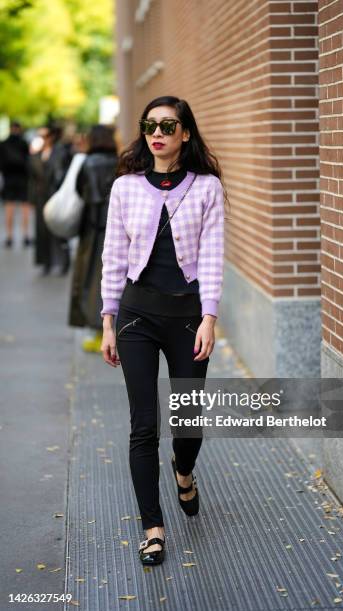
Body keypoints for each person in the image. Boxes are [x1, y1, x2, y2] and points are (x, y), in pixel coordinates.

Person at [100, 96, 226, 566]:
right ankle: (152, 527)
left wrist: (210, 317)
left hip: (188, 316)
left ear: (185, 134)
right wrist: (108, 320)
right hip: (136, 315)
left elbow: (212, 255)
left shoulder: (207, 188)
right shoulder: (126, 188)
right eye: (150, 125)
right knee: (143, 426)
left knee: (188, 423)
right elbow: (113, 254)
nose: (158, 133)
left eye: (168, 125)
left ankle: (185, 471)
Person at [68, 125, 118, 351]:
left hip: (93, 229)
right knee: (114, 277)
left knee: (90, 279)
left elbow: (80, 191)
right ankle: (112, 330)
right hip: (116, 229)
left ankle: (97, 332)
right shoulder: (121, 162)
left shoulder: (87, 163)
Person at [29, 125, 72, 275]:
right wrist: (33, 155)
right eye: (39, 136)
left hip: (56, 196)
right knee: (42, 231)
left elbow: (61, 174)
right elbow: (33, 176)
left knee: (58, 229)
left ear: (51, 137)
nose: (41, 139)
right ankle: (46, 262)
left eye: (44, 136)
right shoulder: (36, 154)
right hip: (41, 197)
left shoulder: (60, 152)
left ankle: (64, 262)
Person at [0, 121, 32, 248]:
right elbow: (29, 161)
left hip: (8, 179)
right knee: (25, 207)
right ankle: (25, 235)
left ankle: (9, 236)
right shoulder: (24, 143)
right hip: (23, 179)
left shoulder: (3, 144)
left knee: (9, 207)